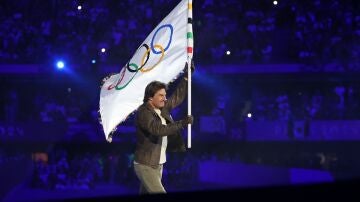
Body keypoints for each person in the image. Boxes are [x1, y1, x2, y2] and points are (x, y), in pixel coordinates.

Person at [133, 61, 194, 194]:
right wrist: (182, 123)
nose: (165, 98)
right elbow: (158, 129)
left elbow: (177, 97)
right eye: (161, 95)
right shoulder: (144, 112)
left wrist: (186, 77)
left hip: (157, 164)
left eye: (165, 95)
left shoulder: (162, 108)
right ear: (150, 98)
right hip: (146, 165)